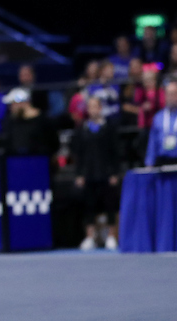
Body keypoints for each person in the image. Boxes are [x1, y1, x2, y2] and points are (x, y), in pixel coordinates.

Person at [72, 97, 121, 251]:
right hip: (88, 174)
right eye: (90, 107)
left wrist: (115, 173)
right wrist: (79, 174)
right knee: (89, 207)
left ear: (100, 109)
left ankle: (111, 236)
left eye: (96, 107)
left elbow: (116, 151)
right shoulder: (82, 129)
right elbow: (78, 154)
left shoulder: (109, 128)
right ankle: (90, 237)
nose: (93, 110)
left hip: (106, 173)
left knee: (110, 206)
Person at [0, 88, 59, 156]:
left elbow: (54, 144)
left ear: (22, 103)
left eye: (13, 104)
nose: (10, 108)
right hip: (17, 161)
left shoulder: (43, 121)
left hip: (40, 161)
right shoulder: (12, 122)